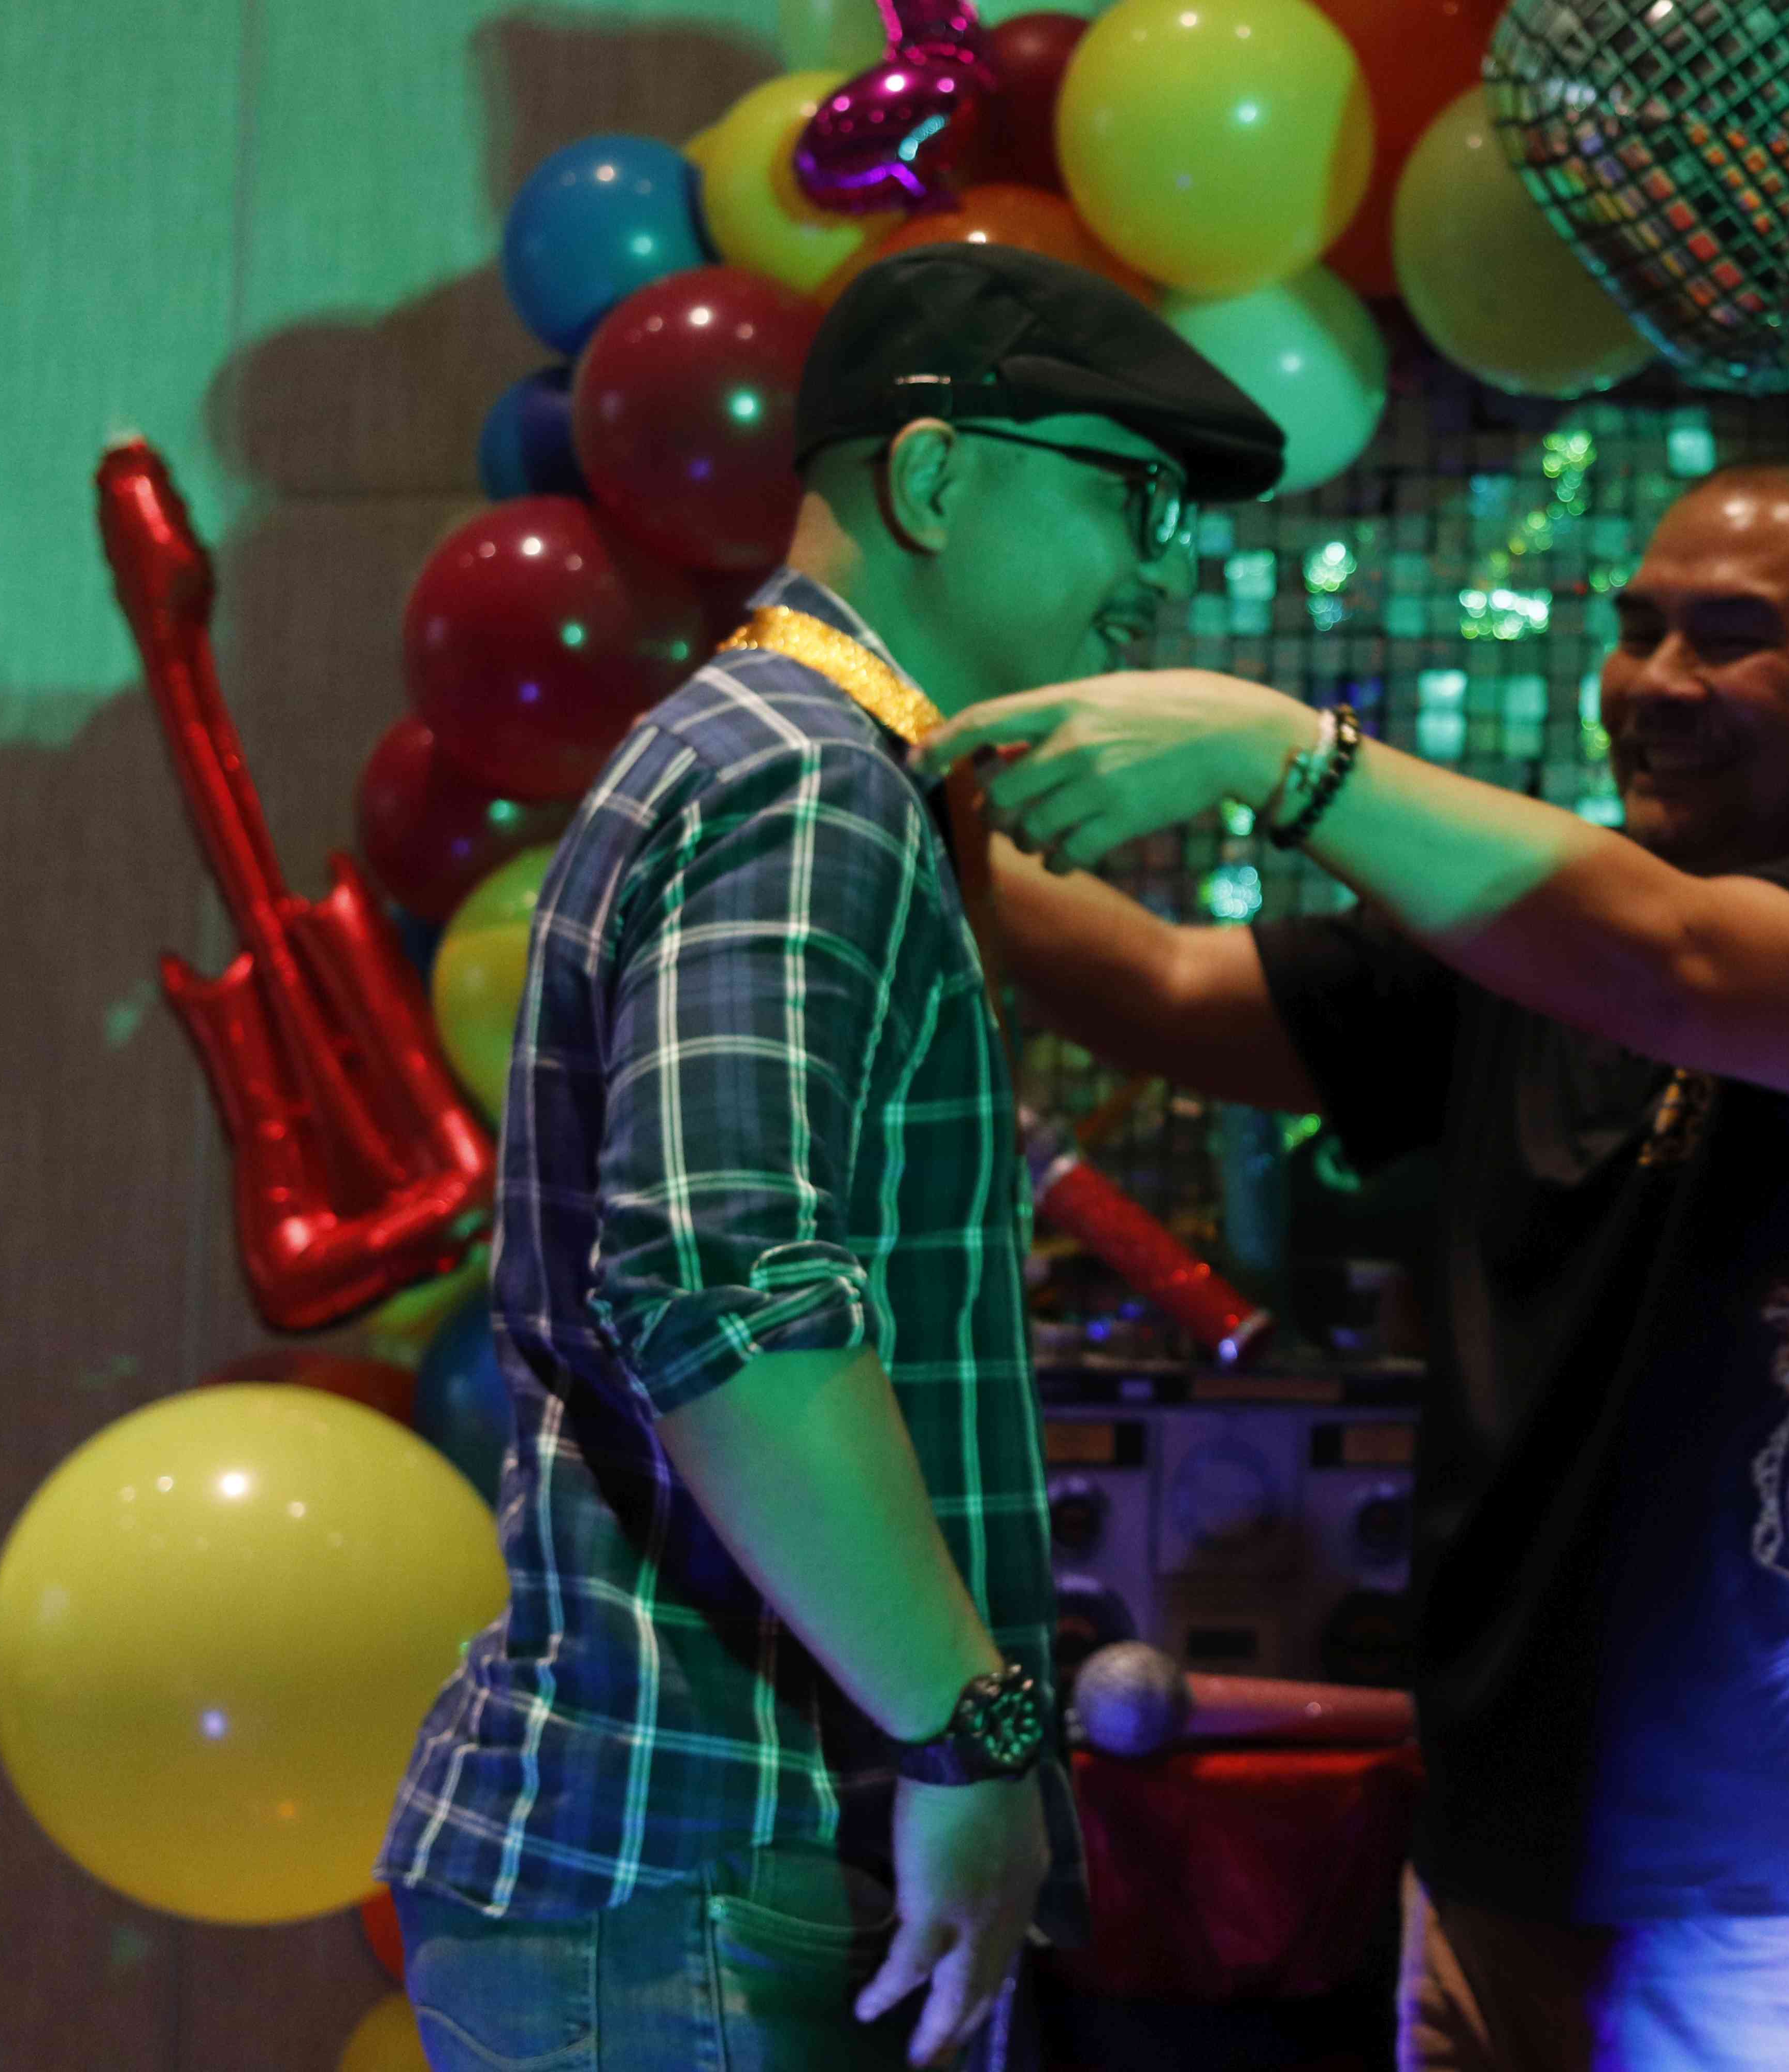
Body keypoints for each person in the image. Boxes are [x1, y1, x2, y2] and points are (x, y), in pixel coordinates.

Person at [917, 461, 1789, 2069]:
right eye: (1639, 629)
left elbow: (1677, 964)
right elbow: (1169, 988)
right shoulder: (1526, 934)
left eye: (1732, 636)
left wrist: (1274, 750)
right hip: (1500, 1854)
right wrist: (921, 777)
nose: (1657, 681)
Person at [378, 245, 1286, 2072]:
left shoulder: (786, 753)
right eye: (1133, 496)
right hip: (701, 1863)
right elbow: (726, 1299)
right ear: (934, 478)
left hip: (679, 1865)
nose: (1167, 569)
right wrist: (974, 1736)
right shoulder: (807, 774)